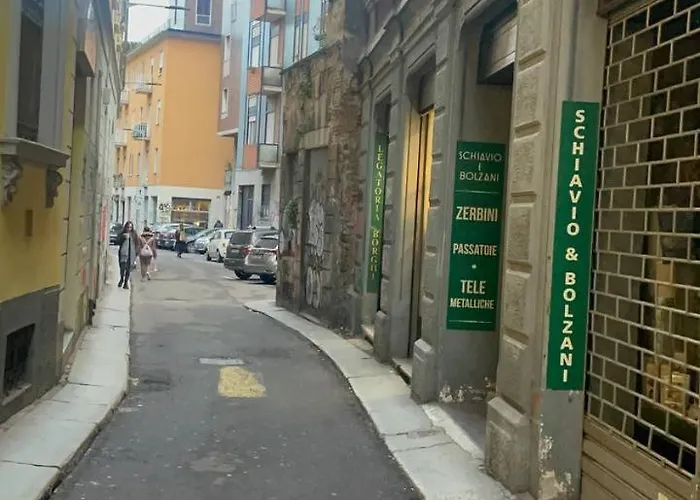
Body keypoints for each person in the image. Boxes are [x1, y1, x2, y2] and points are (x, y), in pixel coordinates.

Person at [116, 221, 139, 289]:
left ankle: (126, 283)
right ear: (125, 227)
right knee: (122, 268)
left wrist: (136, 253)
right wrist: (123, 238)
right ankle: (121, 279)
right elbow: (117, 242)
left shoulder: (134, 234)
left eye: (130, 227)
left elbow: (137, 243)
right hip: (123, 254)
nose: (129, 229)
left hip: (131, 254)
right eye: (128, 227)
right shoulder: (122, 234)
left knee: (128, 269)